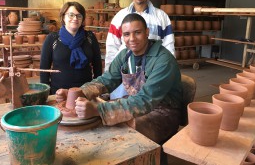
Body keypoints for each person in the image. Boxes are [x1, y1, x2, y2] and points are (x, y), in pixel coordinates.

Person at [56, 13, 183, 146]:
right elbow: (106, 80)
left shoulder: (163, 60)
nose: (132, 39)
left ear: (147, 32)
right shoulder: (125, 55)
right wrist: (78, 93)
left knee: (123, 133)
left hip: (163, 113)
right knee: (106, 121)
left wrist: (98, 110)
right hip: (136, 103)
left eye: (137, 32)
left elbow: (145, 100)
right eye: (127, 34)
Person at [105, 0, 175, 71]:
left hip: (154, 70)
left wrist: (169, 69)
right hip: (125, 70)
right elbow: (112, 47)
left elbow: (169, 46)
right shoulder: (120, 17)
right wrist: (110, 71)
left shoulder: (161, 16)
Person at [40, 1, 102, 95]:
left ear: (82, 19)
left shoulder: (89, 37)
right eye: (71, 15)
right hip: (58, 93)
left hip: (85, 92)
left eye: (79, 16)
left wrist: (96, 88)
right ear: (63, 17)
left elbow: (97, 65)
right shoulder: (52, 39)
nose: (75, 18)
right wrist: (45, 93)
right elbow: (44, 68)